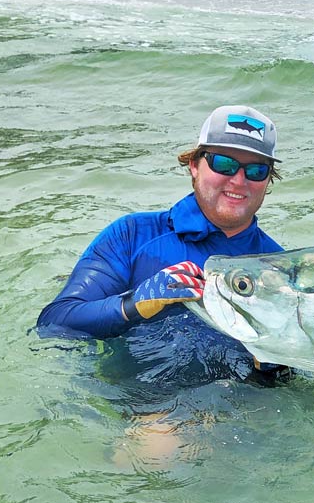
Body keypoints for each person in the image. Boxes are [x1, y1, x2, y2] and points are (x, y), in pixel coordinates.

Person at [37, 105, 285, 379]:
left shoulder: (280, 269)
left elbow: (290, 382)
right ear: (194, 165)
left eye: (256, 170)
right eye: (223, 163)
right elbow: (55, 322)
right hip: (140, 403)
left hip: (239, 408)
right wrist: (133, 304)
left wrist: (278, 364)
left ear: (268, 179)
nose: (239, 180)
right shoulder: (133, 235)